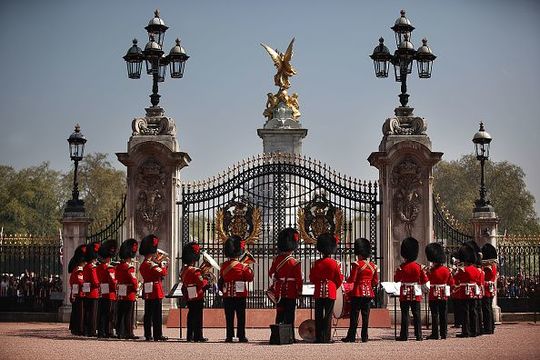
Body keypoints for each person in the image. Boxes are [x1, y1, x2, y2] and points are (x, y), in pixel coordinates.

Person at [342, 237, 378, 343]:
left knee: (354, 316)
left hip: (358, 292)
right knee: (365, 316)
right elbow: (375, 281)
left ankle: (351, 336)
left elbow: (352, 279)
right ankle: (364, 337)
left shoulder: (357, 264)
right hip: (368, 293)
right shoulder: (373, 266)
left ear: (359, 253)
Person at [268, 228, 303, 338]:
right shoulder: (294, 262)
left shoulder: (276, 260)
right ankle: (289, 336)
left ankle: (277, 335)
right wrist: (300, 290)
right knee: (290, 315)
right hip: (291, 292)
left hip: (279, 292)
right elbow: (299, 279)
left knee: (279, 314)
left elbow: (271, 274)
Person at [219, 235, 254, 343]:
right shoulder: (243, 266)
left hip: (227, 295)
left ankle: (229, 336)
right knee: (241, 317)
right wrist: (249, 268)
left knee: (229, 317)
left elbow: (223, 278)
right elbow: (249, 278)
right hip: (240, 295)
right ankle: (241, 336)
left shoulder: (224, 266)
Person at [309, 233, 343, 343]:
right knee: (328, 315)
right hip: (331, 291)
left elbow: (312, 278)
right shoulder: (335, 263)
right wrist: (334, 286)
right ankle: (326, 338)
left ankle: (319, 337)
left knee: (318, 315)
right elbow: (339, 278)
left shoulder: (316, 263)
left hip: (319, 290)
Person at [394, 237, 428, 341]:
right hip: (416, 292)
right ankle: (419, 335)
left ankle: (404, 335)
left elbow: (396, 279)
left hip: (404, 293)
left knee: (405, 314)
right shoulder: (419, 267)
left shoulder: (401, 267)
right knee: (416, 314)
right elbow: (424, 280)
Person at [139, 234, 168, 342]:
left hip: (148, 290)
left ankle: (148, 334)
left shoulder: (144, 264)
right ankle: (157, 335)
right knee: (156, 315)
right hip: (155, 290)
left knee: (148, 313)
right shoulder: (151, 265)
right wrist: (163, 264)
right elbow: (163, 273)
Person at [425, 242, 454, 340]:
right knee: (443, 314)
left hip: (433, 294)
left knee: (434, 314)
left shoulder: (431, 271)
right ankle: (444, 333)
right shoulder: (447, 270)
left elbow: (425, 280)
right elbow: (452, 283)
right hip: (443, 294)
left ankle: (435, 334)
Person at [180, 242, 209, 342]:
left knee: (191, 314)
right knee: (197, 316)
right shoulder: (195, 271)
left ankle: (190, 335)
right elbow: (201, 283)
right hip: (197, 294)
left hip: (189, 294)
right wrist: (206, 280)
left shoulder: (184, 270)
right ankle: (198, 336)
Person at [453, 243, 481, 338]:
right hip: (474, 291)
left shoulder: (462, 270)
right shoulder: (477, 270)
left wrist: (456, 271)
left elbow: (456, 280)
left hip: (465, 292)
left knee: (465, 312)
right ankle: (474, 330)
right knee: (473, 311)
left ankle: (466, 331)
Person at [115, 238, 139, 340]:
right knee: (128, 314)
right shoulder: (129, 267)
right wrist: (136, 288)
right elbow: (133, 280)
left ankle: (120, 332)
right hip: (129, 292)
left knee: (120, 312)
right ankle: (128, 332)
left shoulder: (119, 266)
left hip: (121, 291)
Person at [96, 239, 118, 338]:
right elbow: (113, 282)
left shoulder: (99, 267)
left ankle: (101, 331)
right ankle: (108, 331)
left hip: (102, 292)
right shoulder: (110, 268)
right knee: (109, 314)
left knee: (101, 313)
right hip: (110, 293)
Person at [82, 242, 101, 337]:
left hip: (87, 292)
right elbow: (95, 281)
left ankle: (86, 330)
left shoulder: (86, 267)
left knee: (87, 312)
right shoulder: (92, 267)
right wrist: (100, 284)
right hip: (93, 292)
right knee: (93, 313)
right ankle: (92, 330)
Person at [68, 244, 87, 336]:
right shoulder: (79, 269)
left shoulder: (77, 269)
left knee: (77, 311)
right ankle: (79, 328)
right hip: (80, 293)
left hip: (77, 293)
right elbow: (80, 282)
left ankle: (76, 328)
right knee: (80, 312)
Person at [481, 243, 498, 334]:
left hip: (486, 289)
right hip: (490, 289)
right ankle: (491, 326)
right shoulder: (493, 266)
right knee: (488, 308)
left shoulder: (488, 268)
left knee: (486, 309)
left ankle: (488, 328)